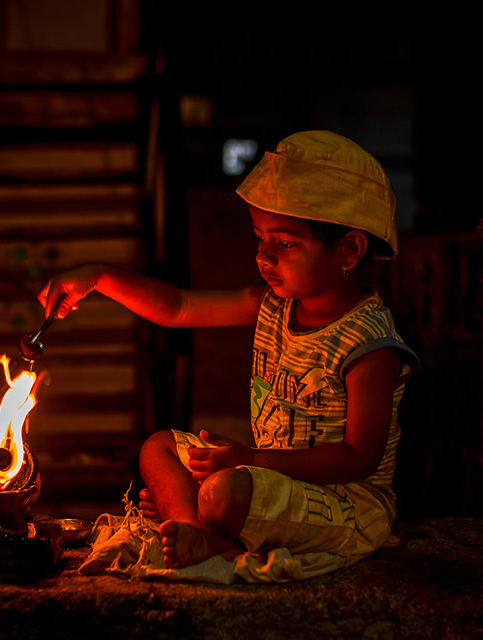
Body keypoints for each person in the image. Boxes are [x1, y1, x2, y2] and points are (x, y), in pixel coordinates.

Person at [38, 131, 419, 569]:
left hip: (344, 509)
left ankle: (205, 521)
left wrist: (249, 460)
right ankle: (190, 527)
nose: (263, 257)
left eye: (285, 243)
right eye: (260, 237)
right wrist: (100, 277)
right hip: (265, 481)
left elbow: (359, 459)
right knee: (158, 447)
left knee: (223, 493)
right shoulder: (272, 304)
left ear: (349, 250)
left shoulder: (367, 343)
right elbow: (178, 307)